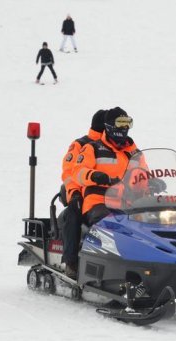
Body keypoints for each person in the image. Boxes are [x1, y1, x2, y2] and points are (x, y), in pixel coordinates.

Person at [72, 108, 139, 274]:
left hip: (126, 203)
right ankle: (104, 270)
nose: (124, 127)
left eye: (127, 122)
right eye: (120, 123)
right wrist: (96, 176)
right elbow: (78, 172)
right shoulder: (92, 148)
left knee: (148, 227)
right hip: (98, 201)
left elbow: (142, 176)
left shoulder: (134, 152)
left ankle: (146, 267)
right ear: (109, 126)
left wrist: (153, 183)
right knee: (110, 224)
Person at [60, 109, 107, 277]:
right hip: (78, 192)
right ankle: (70, 261)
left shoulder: (114, 146)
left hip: (107, 195)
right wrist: (74, 194)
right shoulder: (81, 144)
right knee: (73, 214)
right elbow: (69, 173)